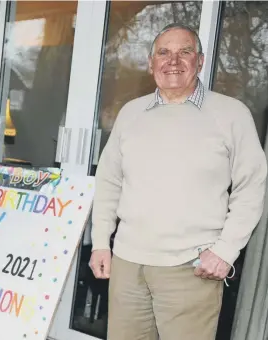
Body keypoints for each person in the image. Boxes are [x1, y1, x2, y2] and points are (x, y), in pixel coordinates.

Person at [89, 23, 267, 340]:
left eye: (184, 52)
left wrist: (226, 251)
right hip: (128, 264)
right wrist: (101, 242)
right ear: (151, 62)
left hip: (191, 267)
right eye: (164, 52)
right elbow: (109, 182)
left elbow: (251, 187)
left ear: (199, 61)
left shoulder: (231, 114)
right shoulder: (131, 113)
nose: (174, 61)